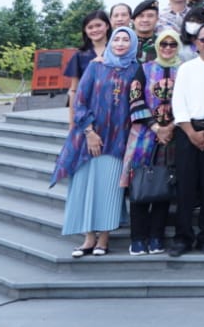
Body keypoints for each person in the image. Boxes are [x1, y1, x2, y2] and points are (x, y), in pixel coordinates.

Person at [52, 27, 138, 257]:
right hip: (89, 140)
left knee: (109, 191)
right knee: (85, 187)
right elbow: (80, 100)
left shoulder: (136, 70)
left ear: (134, 44)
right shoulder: (95, 66)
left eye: (125, 40)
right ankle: (88, 238)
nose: (120, 43)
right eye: (116, 39)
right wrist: (89, 132)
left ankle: (104, 239)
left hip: (118, 140)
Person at [123, 25, 182, 255]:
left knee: (163, 186)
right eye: (164, 44)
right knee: (140, 186)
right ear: (157, 46)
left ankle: (156, 236)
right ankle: (138, 237)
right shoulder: (144, 69)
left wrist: (171, 127)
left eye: (172, 44)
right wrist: (156, 127)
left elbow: (188, 101)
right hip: (144, 136)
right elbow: (135, 98)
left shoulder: (183, 70)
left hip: (173, 137)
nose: (168, 48)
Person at [169, 22, 204, 256]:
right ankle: (182, 237)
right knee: (186, 188)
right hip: (188, 132)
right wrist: (191, 133)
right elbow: (178, 103)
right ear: (196, 43)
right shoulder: (186, 68)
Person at [63, 10, 111, 124]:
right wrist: (72, 123)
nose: (95, 30)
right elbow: (73, 91)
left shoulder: (117, 51)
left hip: (113, 110)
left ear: (107, 26)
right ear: (85, 30)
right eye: (90, 27)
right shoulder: (80, 55)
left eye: (98, 25)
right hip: (86, 111)